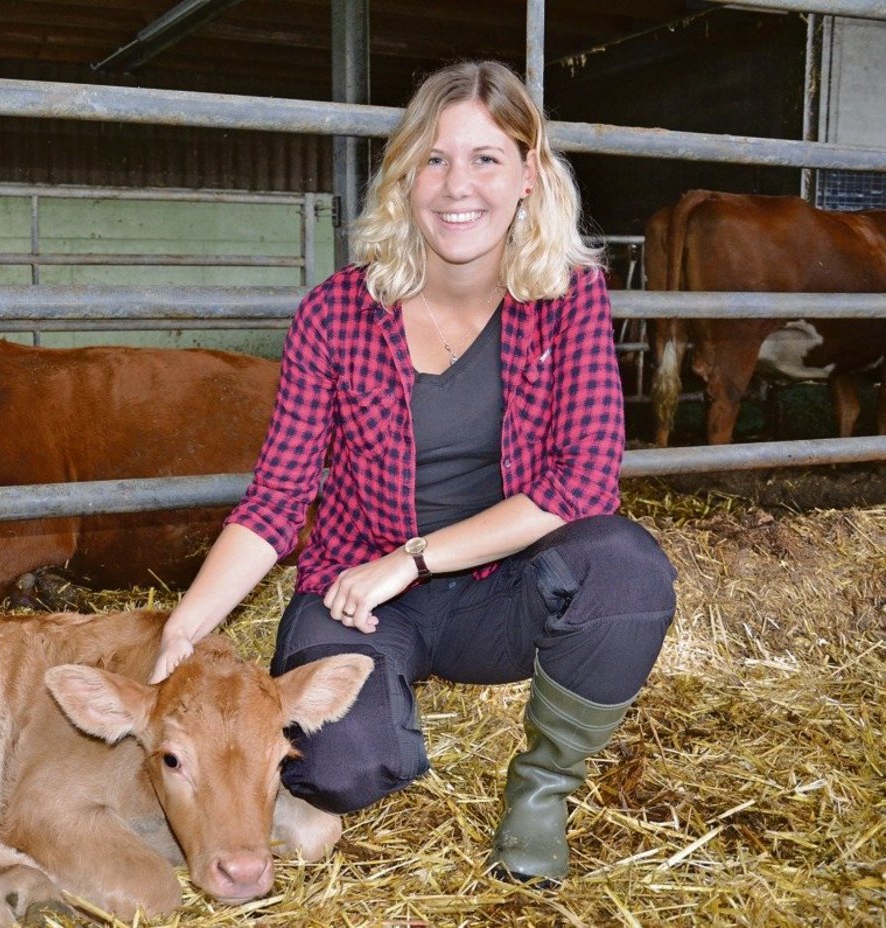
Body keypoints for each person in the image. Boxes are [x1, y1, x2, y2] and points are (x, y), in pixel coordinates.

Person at [148, 59, 677, 886]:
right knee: (338, 768)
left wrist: (414, 559)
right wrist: (182, 629)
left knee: (627, 571)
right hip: (359, 601)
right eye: (434, 158)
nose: (457, 185)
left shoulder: (569, 300)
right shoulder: (335, 312)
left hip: (504, 592)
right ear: (404, 177)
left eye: (486, 158)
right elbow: (279, 499)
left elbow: (581, 485)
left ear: (528, 175)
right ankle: (384, 716)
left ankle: (541, 788)